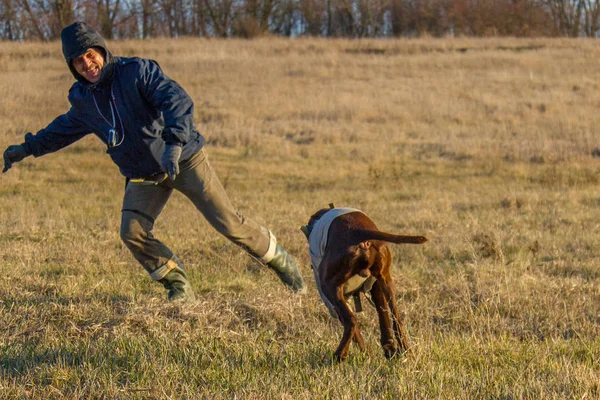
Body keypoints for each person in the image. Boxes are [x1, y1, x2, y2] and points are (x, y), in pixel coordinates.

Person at [2, 21, 305, 301]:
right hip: (143, 174)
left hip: (183, 159)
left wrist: (173, 144)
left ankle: (281, 260)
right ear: (72, 66)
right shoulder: (83, 100)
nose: (87, 65)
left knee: (228, 223)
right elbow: (61, 130)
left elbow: (177, 100)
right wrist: (26, 149)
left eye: (90, 55)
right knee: (131, 232)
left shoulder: (136, 72)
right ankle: (178, 285)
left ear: (101, 50)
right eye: (78, 62)